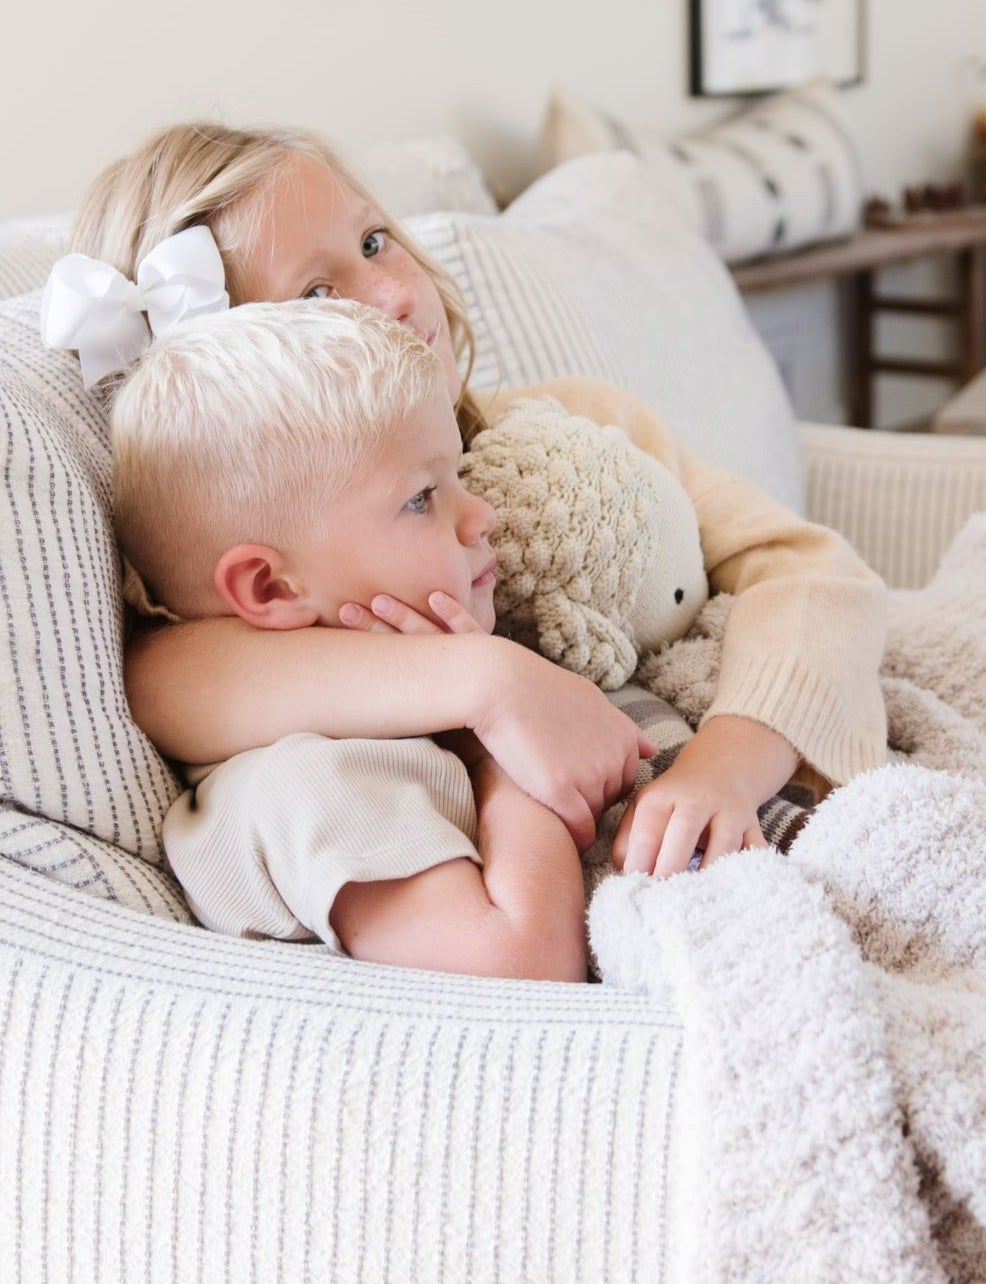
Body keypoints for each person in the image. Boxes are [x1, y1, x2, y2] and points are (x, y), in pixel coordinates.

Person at [72, 122, 889, 879]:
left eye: (374, 240)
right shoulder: (263, 590)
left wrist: (728, 766)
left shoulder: (581, 422)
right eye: (317, 296)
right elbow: (163, 676)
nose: (394, 293)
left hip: (731, 766)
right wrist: (489, 680)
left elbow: (809, 570)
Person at [112, 296, 590, 980]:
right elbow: (526, 965)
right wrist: (491, 758)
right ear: (272, 589)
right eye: (422, 497)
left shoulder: (392, 712)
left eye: (455, 477)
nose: (481, 514)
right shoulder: (307, 783)